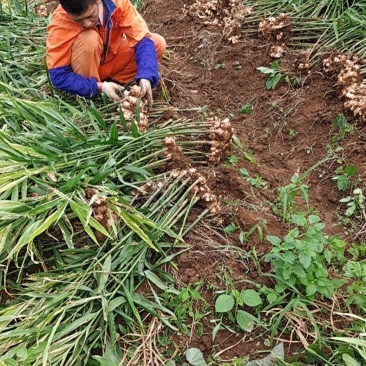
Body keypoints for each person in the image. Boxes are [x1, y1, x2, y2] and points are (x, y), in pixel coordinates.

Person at [46, 0, 166, 108]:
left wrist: (146, 75)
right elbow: (59, 76)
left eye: (90, 16)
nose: (86, 24)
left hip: (109, 62)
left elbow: (142, 39)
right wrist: (100, 87)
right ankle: (93, 95)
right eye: (78, 20)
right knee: (89, 39)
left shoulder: (116, 3)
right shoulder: (61, 20)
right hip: (85, 72)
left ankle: (117, 83)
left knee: (157, 44)